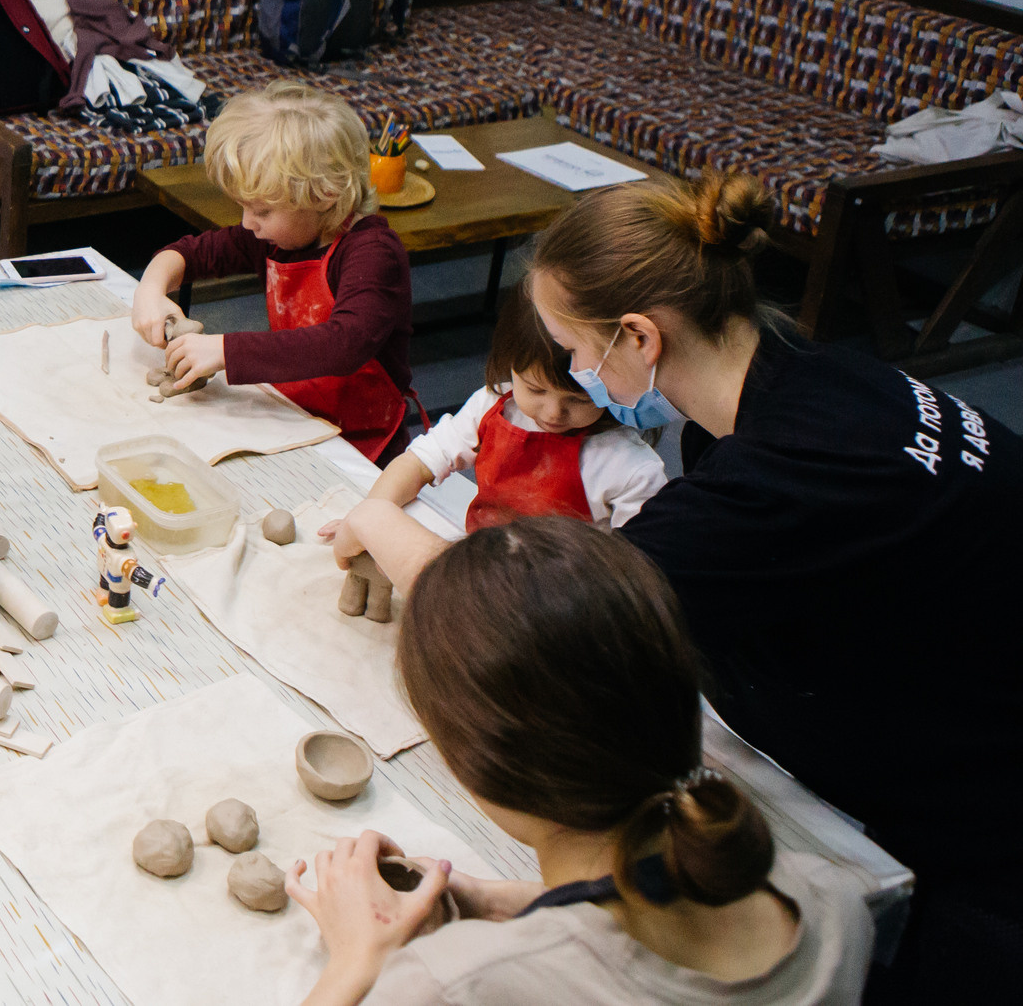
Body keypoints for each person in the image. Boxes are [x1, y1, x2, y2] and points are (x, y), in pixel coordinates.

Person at [331, 174, 1019, 998]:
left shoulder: (766, 487)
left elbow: (520, 618)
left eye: (576, 354)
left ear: (637, 338)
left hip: (984, 815)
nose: (575, 375)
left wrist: (374, 516)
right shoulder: (817, 375)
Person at [287, 516, 873, 1005]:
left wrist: (357, 961)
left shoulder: (455, 984)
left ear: (473, 760)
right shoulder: (830, 897)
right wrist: (508, 903)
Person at [131, 83, 415, 457]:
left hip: (364, 440)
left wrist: (225, 350)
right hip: (296, 415)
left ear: (322, 194)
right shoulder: (279, 235)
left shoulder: (373, 254)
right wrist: (150, 289)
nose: (247, 223)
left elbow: (344, 344)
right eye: (243, 207)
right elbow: (189, 254)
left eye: (262, 211)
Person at [332, 285, 664, 537]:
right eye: (534, 389)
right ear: (509, 366)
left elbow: (634, 571)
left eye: (579, 400)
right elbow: (419, 462)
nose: (553, 412)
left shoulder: (629, 467)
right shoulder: (492, 406)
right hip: (486, 566)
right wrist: (370, 514)